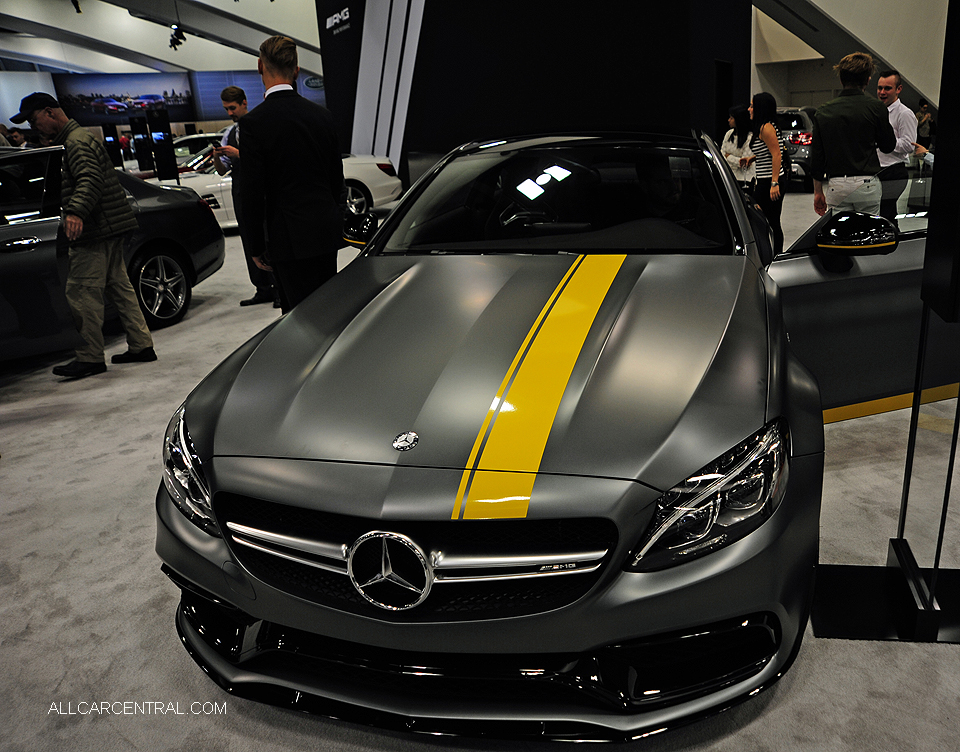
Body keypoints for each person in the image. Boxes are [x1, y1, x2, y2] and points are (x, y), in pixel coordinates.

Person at [10, 92, 156, 380]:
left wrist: (75, 211)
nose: (32, 126)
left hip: (95, 228)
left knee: (80, 292)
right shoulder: (75, 139)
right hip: (109, 225)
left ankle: (90, 358)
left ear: (50, 112)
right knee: (119, 287)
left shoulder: (75, 142)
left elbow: (90, 179)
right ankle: (141, 345)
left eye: (33, 118)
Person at [240, 35, 347, 313]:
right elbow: (337, 179)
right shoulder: (322, 116)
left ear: (260, 67)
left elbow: (252, 192)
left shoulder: (253, 123)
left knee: (298, 318)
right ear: (297, 71)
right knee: (330, 311)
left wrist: (254, 244)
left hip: (286, 238)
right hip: (324, 233)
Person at [212, 85, 279, 308]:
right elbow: (223, 171)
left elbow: (267, 160)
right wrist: (217, 159)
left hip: (262, 192)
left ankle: (279, 287)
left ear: (244, 103)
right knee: (249, 239)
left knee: (268, 237)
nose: (230, 113)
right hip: (240, 192)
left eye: (232, 108)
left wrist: (238, 154)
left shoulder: (260, 126)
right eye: (226, 109)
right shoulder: (228, 134)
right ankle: (262, 288)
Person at [811, 52, 896, 217]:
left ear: (841, 79)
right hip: (867, 183)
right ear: (868, 80)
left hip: (837, 184)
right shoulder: (876, 108)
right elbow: (888, 146)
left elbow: (817, 156)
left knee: (841, 236)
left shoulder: (823, 111)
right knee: (867, 235)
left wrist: (817, 191)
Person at [875, 69, 917, 225]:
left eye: (887, 88)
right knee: (886, 214)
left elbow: (909, 145)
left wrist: (885, 142)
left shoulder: (904, 114)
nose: (882, 92)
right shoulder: (877, 111)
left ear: (898, 89)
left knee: (885, 214)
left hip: (894, 172)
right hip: (877, 171)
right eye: (880, 88)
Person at [749, 92, 785, 255]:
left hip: (770, 182)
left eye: (752, 106)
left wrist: (774, 182)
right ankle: (770, 253)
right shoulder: (763, 126)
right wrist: (753, 157)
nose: (749, 109)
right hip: (765, 180)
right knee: (766, 219)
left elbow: (777, 154)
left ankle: (776, 255)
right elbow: (768, 152)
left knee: (771, 221)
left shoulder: (766, 128)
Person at [720, 105, 755, 190]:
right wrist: (731, 158)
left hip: (744, 180)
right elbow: (721, 154)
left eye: (731, 118)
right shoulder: (729, 134)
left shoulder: (750, 137)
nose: (729, 120)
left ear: (739, 120)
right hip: (728, 176)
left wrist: (728, 156)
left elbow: (744, 163)